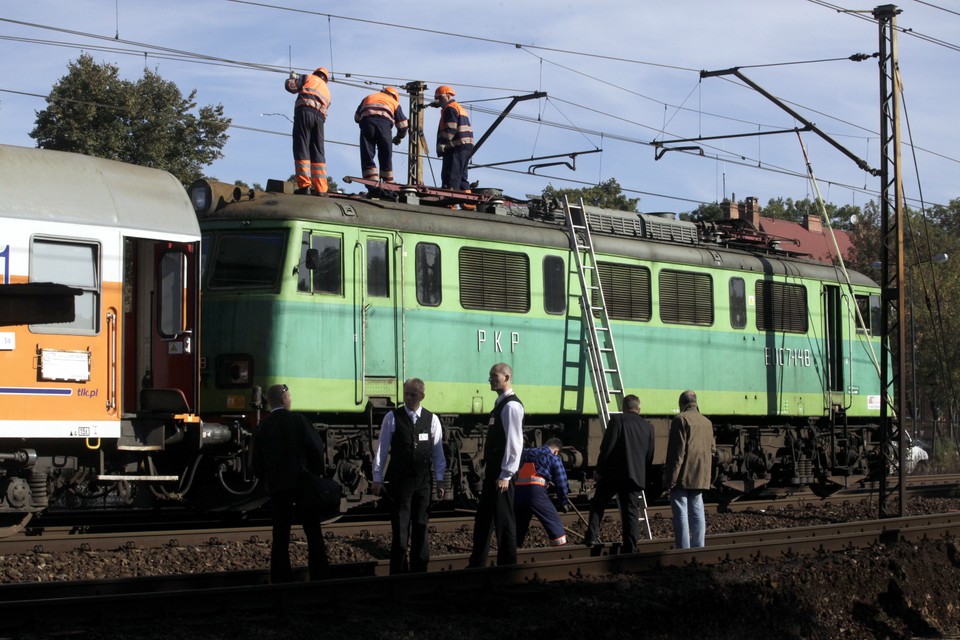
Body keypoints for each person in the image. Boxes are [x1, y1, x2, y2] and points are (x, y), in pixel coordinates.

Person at [251, 383, 330, 582]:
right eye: (290, 397)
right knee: (313, 532)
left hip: (278, 488)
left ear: (268, 402)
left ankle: (280, 578)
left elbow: (255, 463)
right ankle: (320, 575)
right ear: (284, 399)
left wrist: (269, 479)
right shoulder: (299, 421)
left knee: (280, 535)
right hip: (303, 484)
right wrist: (316, 473)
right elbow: (317, 449)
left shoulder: (263, 427)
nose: (291, 400)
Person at [371, 378, 446, 574]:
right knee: (400, 526)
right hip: (400, 482)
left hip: (423, 483)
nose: (409, 398)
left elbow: (438, 452)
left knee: (421, 524)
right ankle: (398, 569)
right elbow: (382, 450)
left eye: (413, 394)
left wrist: (440, 478)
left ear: (422, 396)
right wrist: (377, 478)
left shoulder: (432, 420)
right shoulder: (392, 418)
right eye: (406, 394)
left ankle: (420, 569)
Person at [583, 394, 655, 553]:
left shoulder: (617, 421)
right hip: (634, 476)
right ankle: (630, 546)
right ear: (639, 408)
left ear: (624, 407)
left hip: (613, 475)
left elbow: (607, 448)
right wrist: (643, 473)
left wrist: (599, 470)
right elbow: (649, 455)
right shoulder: (648, 427)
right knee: (631, 511)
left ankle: (591, 536)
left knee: (598, 503)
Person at [468, 362, 523, 568]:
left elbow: (514, 442)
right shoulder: (500, 404)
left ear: (506, 378)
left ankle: (507, 565)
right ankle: (477, 563)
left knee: (504, 519)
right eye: (490, 375)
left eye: (494, 375)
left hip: (502, 474)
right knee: (484, 518)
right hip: (495, 472)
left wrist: (506, 474)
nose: (490, 379)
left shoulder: (511, 406)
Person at [662, 390, 715, 549]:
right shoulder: (707, 422)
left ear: (681, 404)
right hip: (700, 475)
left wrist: (671, 478)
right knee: (698, 510)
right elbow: (712, 449)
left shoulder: (680, 420)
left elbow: (677, 454)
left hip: (683, 476)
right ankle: (699, 547)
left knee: (680, 512)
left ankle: (683, 548)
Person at [284, 66, 332, 195]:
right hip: (320, 119)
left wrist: (292, 78)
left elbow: (291, 87)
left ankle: (305, 186)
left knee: (302, 146)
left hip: (305, 112)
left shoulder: (309, 77)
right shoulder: (327, 91)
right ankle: (321, 189)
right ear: (326, 79)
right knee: (318, 151)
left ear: (316, 73)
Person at [515, 437, 569, 548]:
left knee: (518, 525)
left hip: (517, 491)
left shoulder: (526, 452)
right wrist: (563, 501)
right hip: (535, 492)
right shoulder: (553, 457)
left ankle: (512, 552)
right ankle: (561, 551)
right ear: (556, 451)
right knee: (554, 523)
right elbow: (561, 482)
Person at [354, 87, 409, 188]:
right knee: (385, 154)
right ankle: (388, 184)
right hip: (384, 125)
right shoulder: (394, 102)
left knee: (367, 153)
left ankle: (371, 183)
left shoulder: (368, 97)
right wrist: (399, 137)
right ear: (394, 96)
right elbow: (403, 125)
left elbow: (357, 118)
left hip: (367, 123)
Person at [432, 85, 475, 206]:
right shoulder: (459, 108)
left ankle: (449, 202)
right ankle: (469, 203)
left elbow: (451, 127)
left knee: (451, 174)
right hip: (465, 146)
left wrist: (444, 144)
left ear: (448, 96)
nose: (439, 101)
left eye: (440, 98)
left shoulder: (450, 108)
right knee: (461, 176)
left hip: (456, 146)